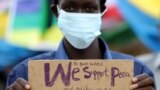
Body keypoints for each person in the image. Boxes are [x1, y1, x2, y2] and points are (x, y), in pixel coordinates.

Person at [6, 0, 155, 90]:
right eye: (70, 8)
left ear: (101, 11)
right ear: (56, 12)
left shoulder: (136, 72)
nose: (80, 16)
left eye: (90, 8)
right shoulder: (25, 74)